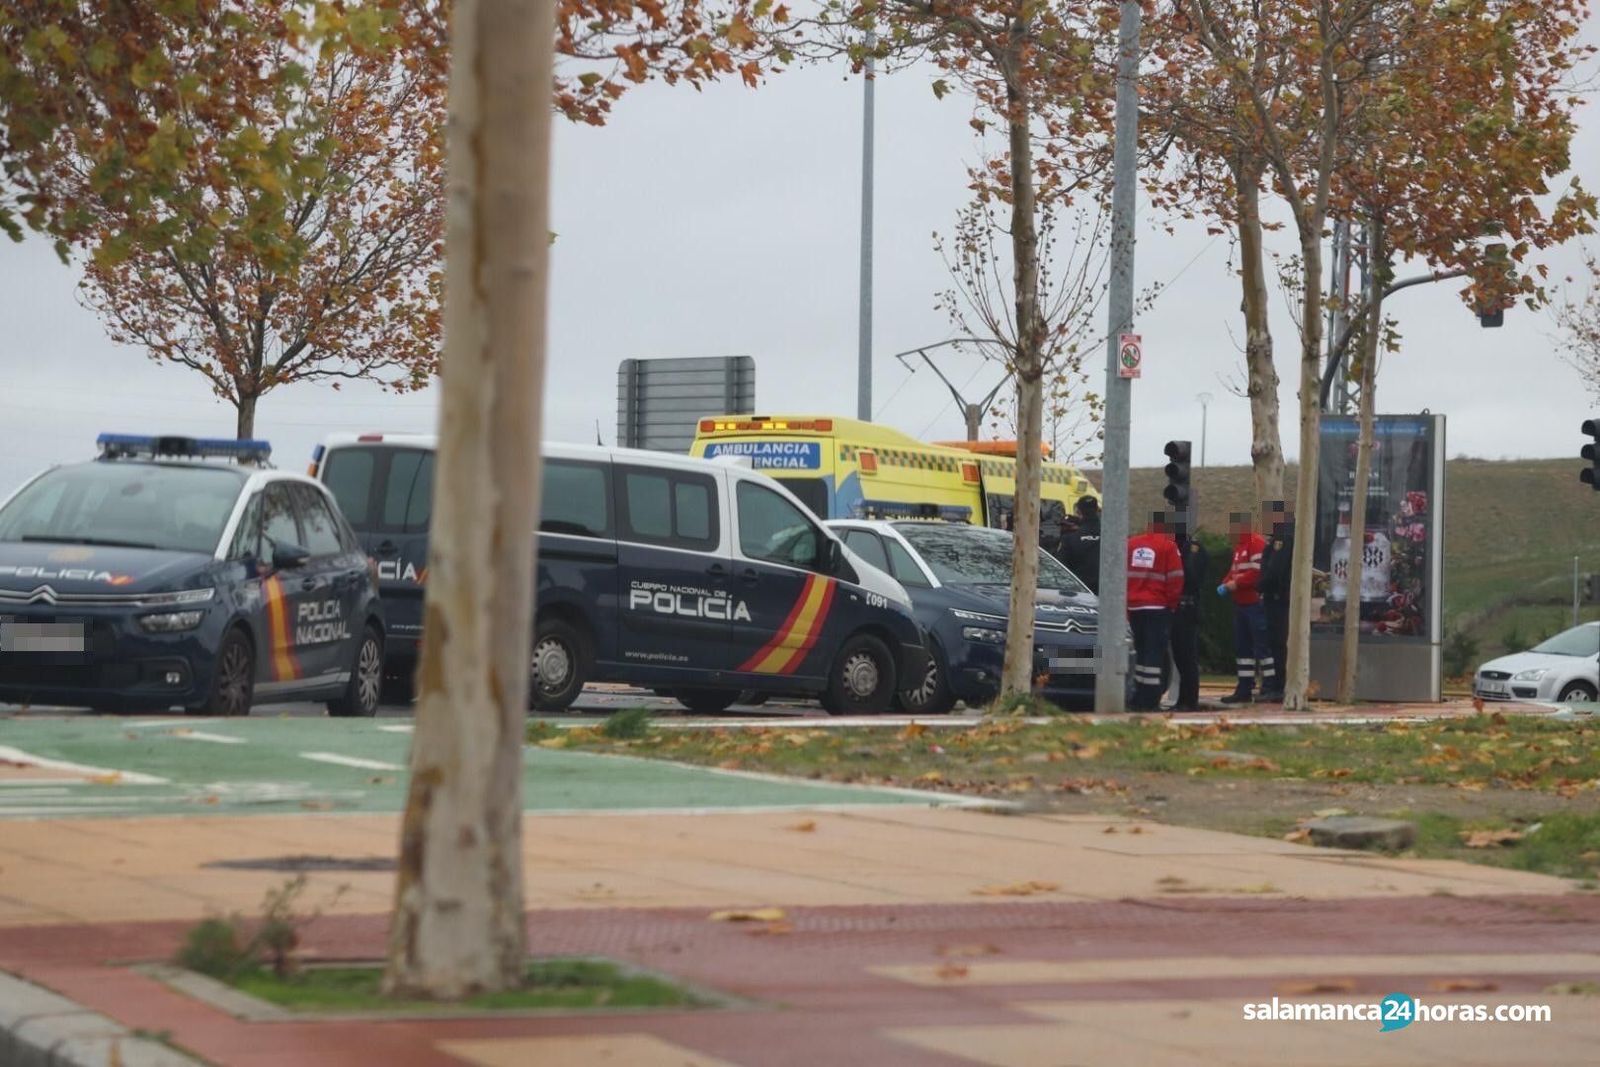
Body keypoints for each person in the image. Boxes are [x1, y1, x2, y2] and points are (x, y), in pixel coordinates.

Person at [1126, 512, 1184, 712]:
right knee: (1154, 653)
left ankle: (1138, 696)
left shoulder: (1131, 544)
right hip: (1158, 607)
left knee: (1141, 652)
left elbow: (1122, 574)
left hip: (1134, 606)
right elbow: (1176, 579)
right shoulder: (1168, 546)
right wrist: (1172, 605)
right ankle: (1150, 699)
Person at [1219, 510, 1269, 704]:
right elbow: (1233, 571)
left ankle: (1269, 686)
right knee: (1243, 649)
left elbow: (1256, 573)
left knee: (1262, 647)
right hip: (1241, 604)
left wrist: (1235, 584)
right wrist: (1225, 583)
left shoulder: (1255, 543)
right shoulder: (1240, 547)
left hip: (1255, 604)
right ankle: (1244, 687)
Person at [1170, 523, 1210, 711]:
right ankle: (1182, 700)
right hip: (1178, 607)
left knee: (1187, 657)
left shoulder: (1193, 549)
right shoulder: (1178, 548)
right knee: (1180, 656)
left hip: (1187, 607)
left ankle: (1190, 700)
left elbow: (1191, 576)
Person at [1257, 501, 1293, 703]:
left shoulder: (1282, 538)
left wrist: (1260, 586)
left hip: (1278, 599)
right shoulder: (1281, 536)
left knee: (1277, 645)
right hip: (1277, 598)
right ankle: (1274, 685)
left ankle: (1278, 686)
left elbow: (1275, 570)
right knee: (1274, 645)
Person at [1060, 496, 1102, 592]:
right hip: (1105, 590)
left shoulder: (1071, 537)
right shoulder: (1110, 535)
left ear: (1078, 511)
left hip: (1080, 590)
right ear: (1097, 510)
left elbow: (1062, 567)